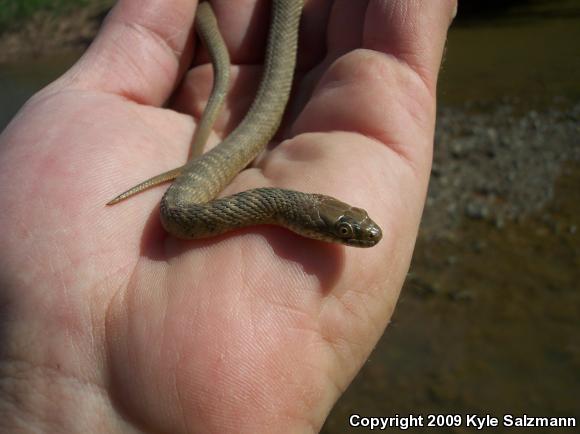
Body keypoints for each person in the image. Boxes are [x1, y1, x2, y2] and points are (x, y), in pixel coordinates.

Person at [0, 0, 456, 432]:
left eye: (348, 229)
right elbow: (180, 212)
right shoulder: (195, 211)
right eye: (345, 231)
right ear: (305, 222)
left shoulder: (272, 205)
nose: (360, 236)